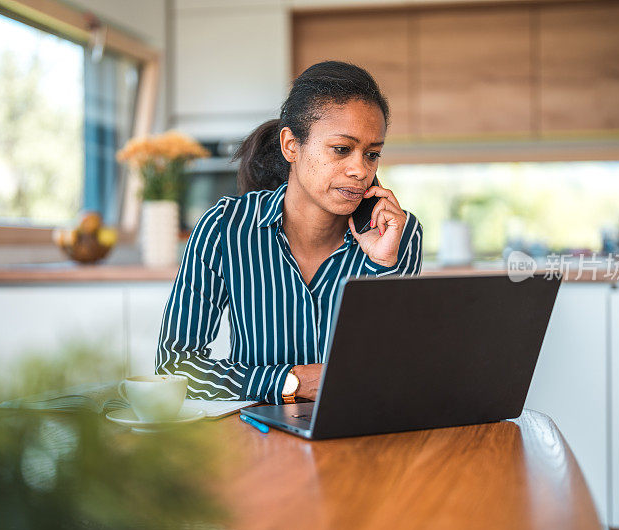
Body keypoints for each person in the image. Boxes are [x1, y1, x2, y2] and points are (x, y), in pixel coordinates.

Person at [155, 60, 423, 404]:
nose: (360, 170)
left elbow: (400, 374)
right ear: (291, 145)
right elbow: (175, 368)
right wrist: (290, 381)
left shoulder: (398, 233)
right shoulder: (226, 228)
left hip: (360, 436)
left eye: (372, 154)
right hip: (257, 439)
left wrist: (382, 266)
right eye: (342, 149)